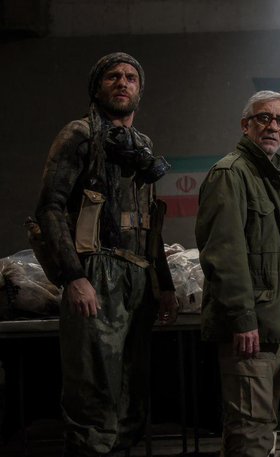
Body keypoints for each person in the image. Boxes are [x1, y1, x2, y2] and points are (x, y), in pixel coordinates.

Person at [35, 52, 178, 456]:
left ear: (140, 90)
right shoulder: (79, 135)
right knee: (93, 393)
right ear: (97, 87)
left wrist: (164, 285)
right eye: (113, 76)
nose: (122, 82)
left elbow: (150, 222)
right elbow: (50, 208)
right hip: (96, 273)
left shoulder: (143, 147)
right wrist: (74, 276)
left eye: (131, 77)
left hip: (138, 279)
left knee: (132, 394)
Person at [195, 90, 280, 457]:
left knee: (258, 429)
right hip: (250, 330)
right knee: (251, 433)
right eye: (264, 118)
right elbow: (224, 255)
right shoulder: (231, 174)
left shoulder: (277, 179)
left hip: (271, 326)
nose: (273, 126)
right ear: (246, 125)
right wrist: (243, 318)